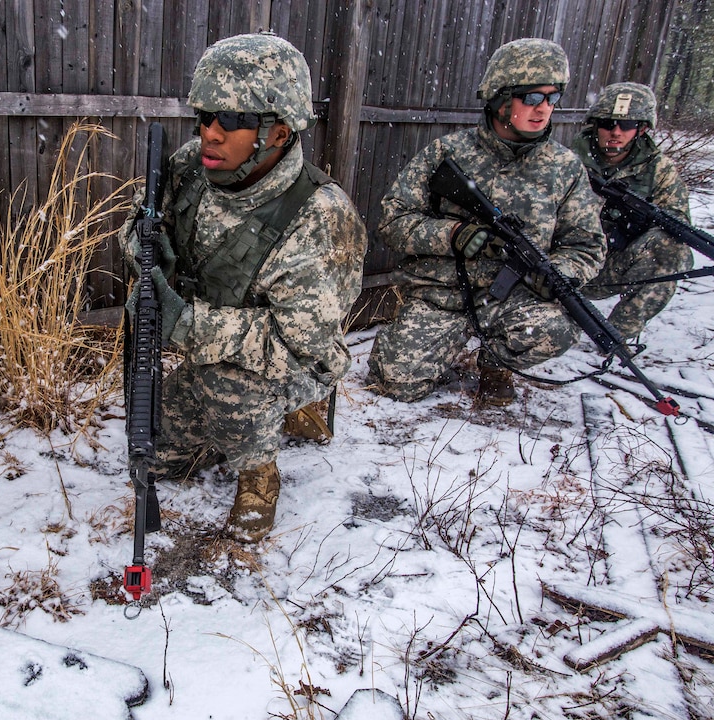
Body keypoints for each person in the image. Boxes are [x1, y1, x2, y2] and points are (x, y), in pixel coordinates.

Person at [121, 33, 367, 543]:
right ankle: (242, 423)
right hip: (216, 346)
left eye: (233, 121)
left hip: (295, 360)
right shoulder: (192, 166)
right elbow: (139, 226)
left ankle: (260, 475)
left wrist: (187, 325)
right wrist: (145, 249)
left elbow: (300, 343)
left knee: (229, 383)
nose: (211, 133)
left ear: (279, 132)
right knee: (156, 453)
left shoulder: (320, 219)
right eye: (206, 116)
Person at [366, 38, 605, 406]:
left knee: (555, 329)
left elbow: (586, 246)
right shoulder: (448, 154)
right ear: (500, 98)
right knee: (396, 383)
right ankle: (435, 346)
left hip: (514, 300)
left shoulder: (565, 168)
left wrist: (559, 272)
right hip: (442, 295)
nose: (543, 109)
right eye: (531, 98)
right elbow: (391, 220)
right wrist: (453, 235)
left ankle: (496, 361)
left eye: (552, 98)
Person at [572, 82, 693, 339]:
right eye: (607, 123)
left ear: (642, 129)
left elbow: (679, 221)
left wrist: (640, 225)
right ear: (595, 124)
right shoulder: (566, 161)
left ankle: (616, 334)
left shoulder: (658, 169)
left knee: (671, 247)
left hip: (610, 267)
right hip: (564, 263)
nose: (615, 132)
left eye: (626, 125)